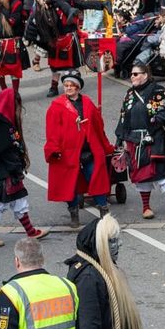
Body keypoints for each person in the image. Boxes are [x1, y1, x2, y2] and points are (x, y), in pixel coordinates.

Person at [0, 89, 48, 248]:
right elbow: (4, 152)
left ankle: (30, 231)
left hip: (6, 171)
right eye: (17, 104)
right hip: (4, 173)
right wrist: (16, 167)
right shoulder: (2, 125)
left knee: (19, 201)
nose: (18, 108)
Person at [115, 64, 165, 219]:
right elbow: (123, 116)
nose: (132, 76)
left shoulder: (157, 91)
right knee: (140, 175)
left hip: (153, 139)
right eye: (131, 74)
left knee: (160, 173)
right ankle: (146, 207)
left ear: (145, 75)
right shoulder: (129, 94)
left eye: (136, 74)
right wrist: (120, 137)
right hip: (134, 141)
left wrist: (158, 119)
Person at [45, 71, 113, 228]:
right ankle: (73, 213)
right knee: (70, 185)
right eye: (66, 85)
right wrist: (53, 148)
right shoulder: (57, 106)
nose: (68, 88)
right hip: (68, 153)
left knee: (96, 179)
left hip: (89, 151)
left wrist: (106, 146)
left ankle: (104, 211)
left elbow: (98, 127)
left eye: (72, 85)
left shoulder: (88, 103)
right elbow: (52, 131)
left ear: (78, 88)